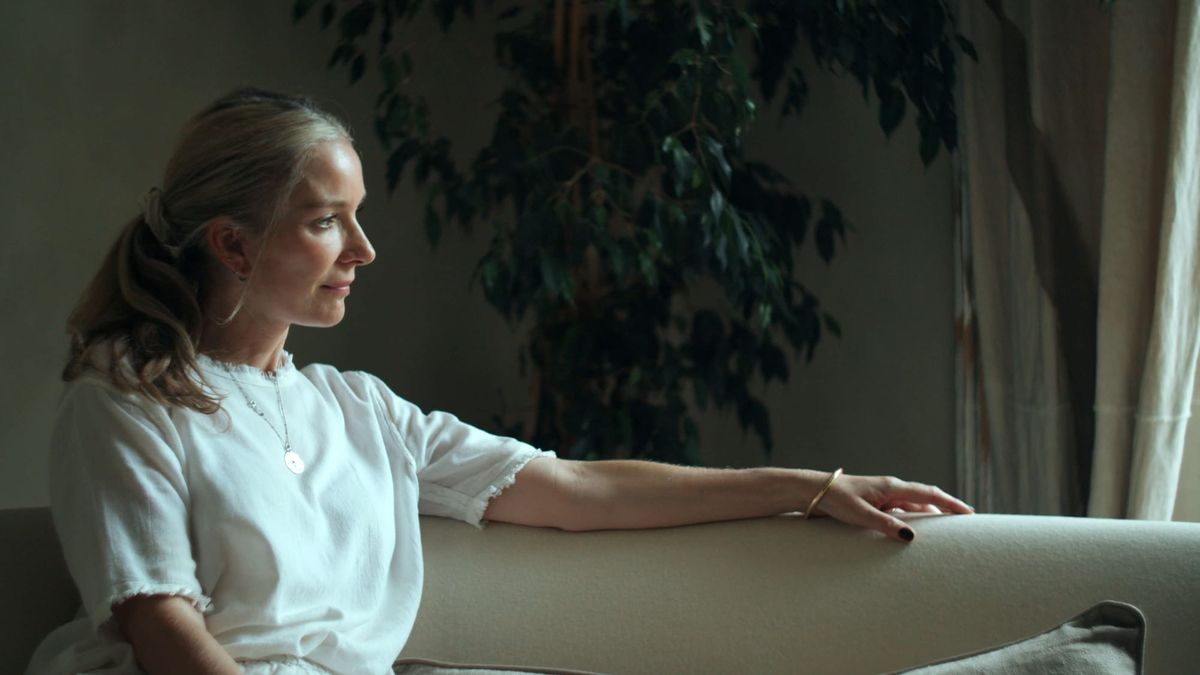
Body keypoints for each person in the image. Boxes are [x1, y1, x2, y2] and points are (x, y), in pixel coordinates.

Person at [27, 88, 972, 675]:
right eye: (327, 221)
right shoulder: (124, 399)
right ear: (232, 242)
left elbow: (582, 488)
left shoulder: (359, 410)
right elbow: (163, 634)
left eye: (359, 217)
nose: (363, 249)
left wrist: (811, 487)